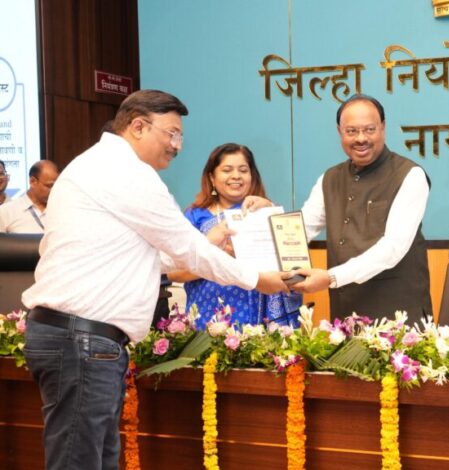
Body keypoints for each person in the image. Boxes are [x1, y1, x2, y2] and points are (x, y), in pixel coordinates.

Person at [21, 89, 291, 470]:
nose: (177, 146)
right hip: (82, 341)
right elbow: (187, 250)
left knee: (96, 459)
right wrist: (258, 278)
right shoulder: (127, 173)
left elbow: (148, 256)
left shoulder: (90, 165)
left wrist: (206, 245)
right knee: (79, 462)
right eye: (172, 134)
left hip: (79, 338)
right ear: (137, 126)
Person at [293, 94, 433, 322]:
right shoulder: (330, 178)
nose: (361, 138)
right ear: (340, 132)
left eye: (369, 130)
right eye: (351, 131)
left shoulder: (410, 175)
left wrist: (331, 277)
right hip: (345, 312)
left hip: (397, 317)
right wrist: (266, 215)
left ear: (383, 128)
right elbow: (301, 228)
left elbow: (393, 247)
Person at [168, 143, 303, 328]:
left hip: (261, 320)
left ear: (252, 176)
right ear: (212, 177)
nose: (236, 176)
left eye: (243, 170)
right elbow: (175, 273)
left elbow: (293, 266)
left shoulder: (267, 211)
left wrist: (271, 212)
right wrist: (220, 255)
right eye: (227, 170)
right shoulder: (194, 217)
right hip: (210, 318)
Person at [0, 160, 59, 233]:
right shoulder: (6, 212)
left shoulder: (62, 209)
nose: (53, 190)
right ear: (33, 181)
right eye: (49, 186)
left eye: (56, 186)